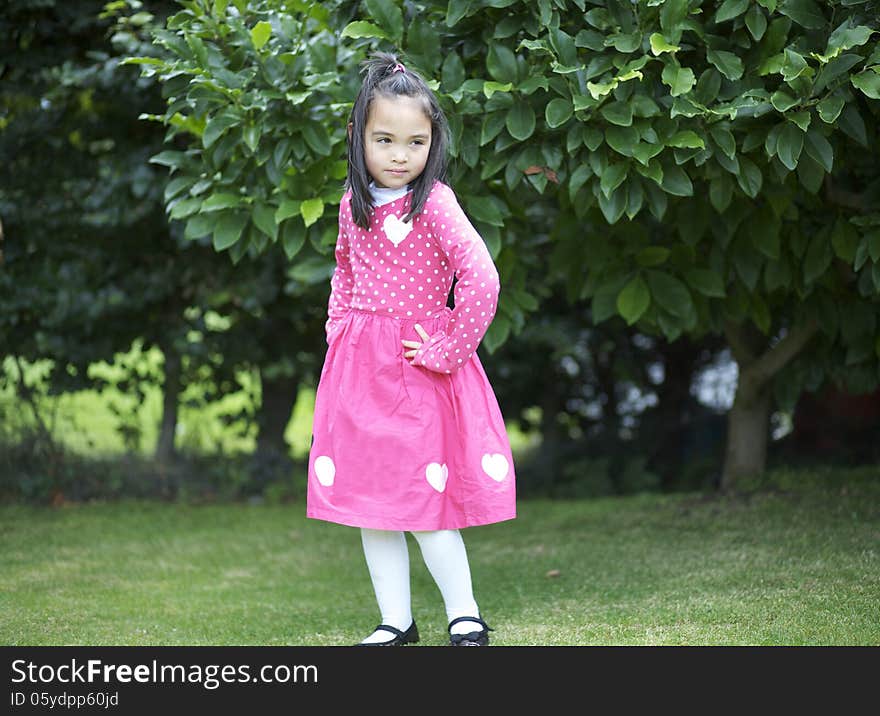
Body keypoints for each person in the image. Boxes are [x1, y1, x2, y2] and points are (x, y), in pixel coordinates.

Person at [306, 52, 516, 647]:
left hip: (420, 372)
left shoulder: (436, 204)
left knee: (426, 502)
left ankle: (464, 614)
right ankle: (395, 621)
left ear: (433, 142)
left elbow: (483, 279)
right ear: (358, 137)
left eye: (416, 141)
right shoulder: (353, 206)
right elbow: (344, 273)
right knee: (372, 505)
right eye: (385, 139)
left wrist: (449, 347)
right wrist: (339, 333)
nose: (401, 154)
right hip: (359, 375)